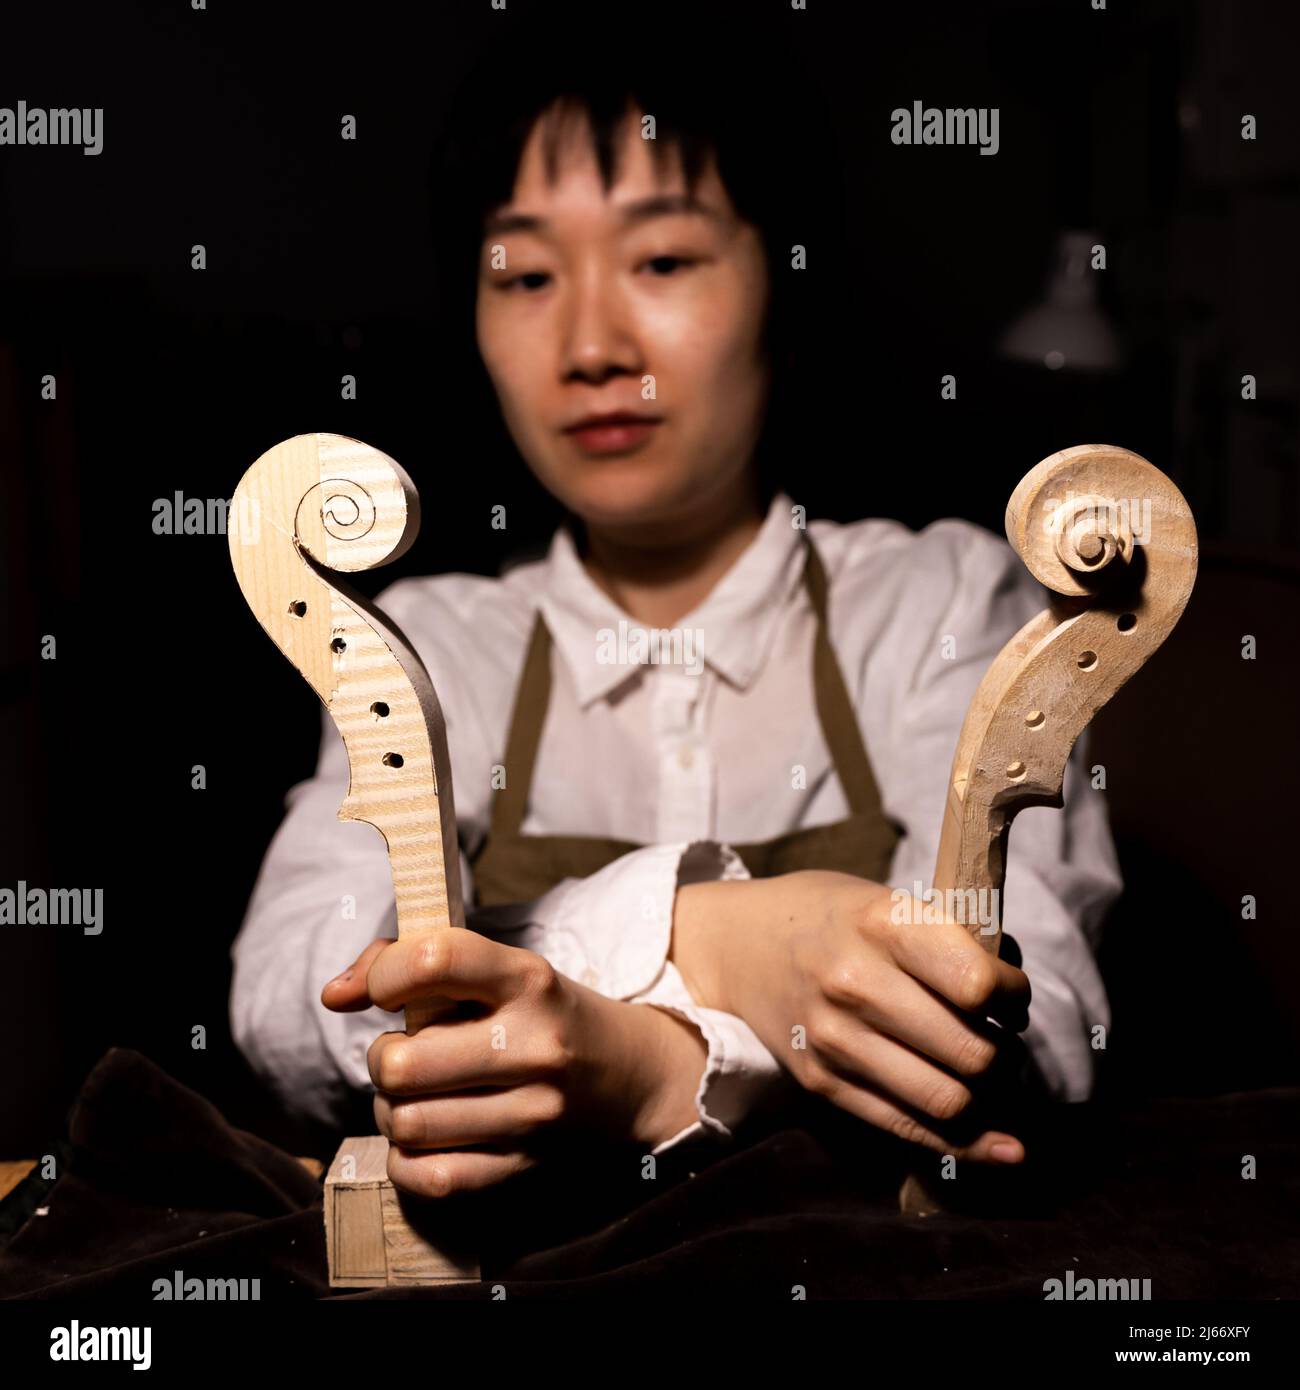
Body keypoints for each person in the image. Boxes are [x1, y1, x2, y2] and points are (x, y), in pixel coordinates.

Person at [230, 12, 1121, 1203]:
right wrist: (713, 937)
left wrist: (657, 1067)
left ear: (781, 283)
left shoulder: (943, 603)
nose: (593, 344)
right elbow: (292, 999)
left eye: (661, 261)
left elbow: (1041, 1022)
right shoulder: (433, 645)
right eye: (526, 276)